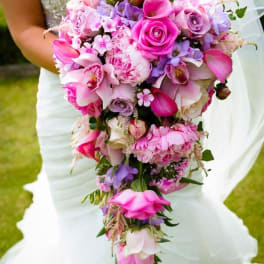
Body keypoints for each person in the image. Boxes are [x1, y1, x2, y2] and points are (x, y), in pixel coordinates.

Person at [0, 0, 263, 263]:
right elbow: (26, 30)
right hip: (72, 91)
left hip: (163, 86)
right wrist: (98, 69)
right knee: (81, 219)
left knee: (177, 208)